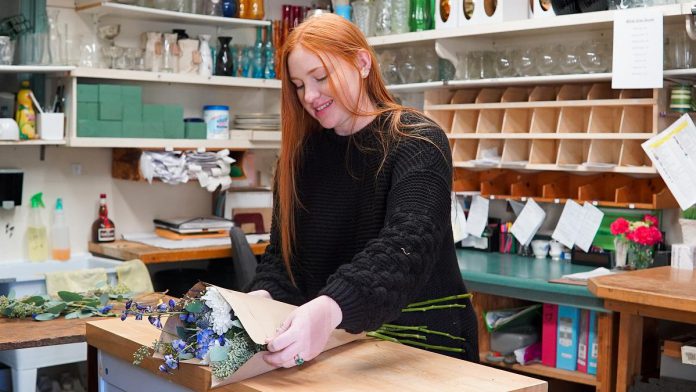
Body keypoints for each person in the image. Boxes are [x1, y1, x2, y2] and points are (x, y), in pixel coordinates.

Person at [246, 13, 479, 369]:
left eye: (320, 77)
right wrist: (257, 303)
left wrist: (328, 309)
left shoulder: (418, 142)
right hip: (338, 349)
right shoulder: (299, 160)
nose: (309, 95)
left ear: (362, 62)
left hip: (425, 352)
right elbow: (284, 260)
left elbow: (405, 247)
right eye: (298, 84)